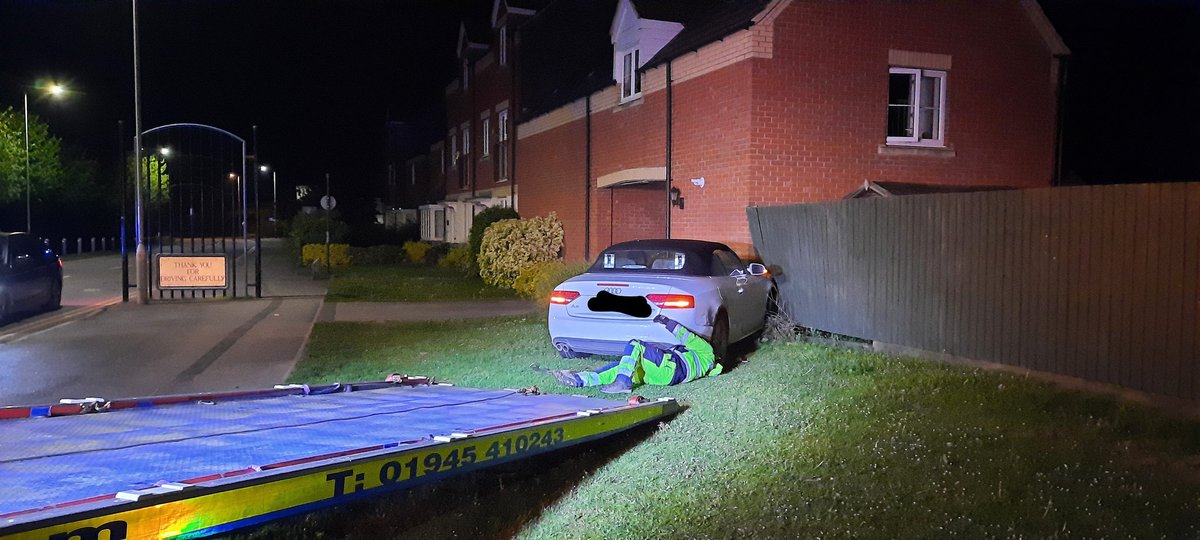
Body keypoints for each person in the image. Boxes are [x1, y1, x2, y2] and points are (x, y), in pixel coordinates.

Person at [548, 314, 722, 393]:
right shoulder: (707, 366)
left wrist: (667, 321)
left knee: (635, 345)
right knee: (623, 366)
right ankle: (579, 380)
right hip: (660, 377)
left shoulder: (707, 351)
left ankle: (623, 383)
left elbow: (687, 337)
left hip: (671, 368)